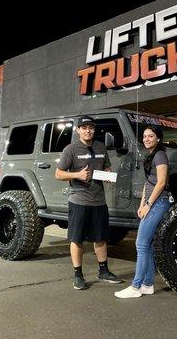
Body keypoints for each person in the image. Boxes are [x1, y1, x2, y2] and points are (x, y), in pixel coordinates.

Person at [55, 115, 122, 290]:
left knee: (101, 238)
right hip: (79, 200)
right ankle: (78, 275)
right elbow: (59, 173)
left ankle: (104, 271)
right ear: (78, 130)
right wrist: (76, 175)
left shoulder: (101, 147)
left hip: (99, 200)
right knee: (77, 239)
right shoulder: (70, 149)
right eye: (84, 128)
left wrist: (108, 175)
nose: (88, 130)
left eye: (90, 128)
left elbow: (106, 166)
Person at [115, 125, 170, 298]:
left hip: (159, 202)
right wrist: (142, 204)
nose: (146, 139)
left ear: (158, 139)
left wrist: (149, 204)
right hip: (152, 202)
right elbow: (149, 183)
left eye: (150, 136)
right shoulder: (151, 155)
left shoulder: (160, 155)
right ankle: (147, 284)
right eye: (145, 136)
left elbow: (161, 182)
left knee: (141, 244)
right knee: (148, 244)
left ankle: (136, 286)